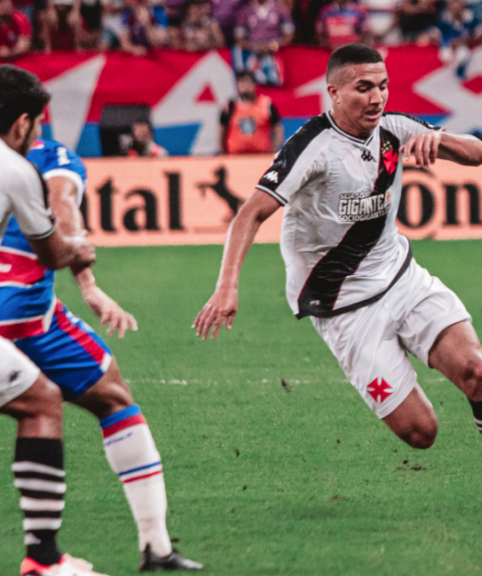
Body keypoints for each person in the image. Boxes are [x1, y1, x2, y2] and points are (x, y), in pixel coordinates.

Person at [194, 44, 482, 513]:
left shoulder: (394, 128)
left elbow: (480, 154)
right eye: (363, 88)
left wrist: (444, 143)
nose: (376, 97)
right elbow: (250, 213)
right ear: (333, 92)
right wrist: (227, 285)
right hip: (343, 310)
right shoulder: (312, 147)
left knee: (480, 375)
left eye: (383, 86)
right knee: (422, 433)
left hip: (401, 278)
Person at [3, 137, 205, 572]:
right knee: (106, 400)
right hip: (26, 314)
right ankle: (147, 546)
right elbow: (63, 205)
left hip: (27, 310)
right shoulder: (47, 157)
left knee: (47, 403)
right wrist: (89, 283)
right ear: (24, 120)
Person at [0, 64, 105, 576]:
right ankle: (43, 559)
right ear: (21, 124)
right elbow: (50, 252)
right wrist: (80, 251)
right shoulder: (16, 169)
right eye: (37, 125)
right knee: (42, 401)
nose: (38, 135)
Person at [219, 71, 283, 154]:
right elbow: (221, 132)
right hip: (235, 158)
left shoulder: (266, 104)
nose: (244, 85)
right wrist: (224, 155)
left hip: (261, 157)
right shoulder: (230, 106)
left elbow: (278, 129)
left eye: (247, 81)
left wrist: (273, 152)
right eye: (241, 82)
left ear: (254, 84)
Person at [232, 0, 294, 86]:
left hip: (274, 56)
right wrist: (254, 47)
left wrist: (272, 46)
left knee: (275, 84)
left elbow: (288, 37)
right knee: (250, 84)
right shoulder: (244, 11)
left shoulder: (281, 9)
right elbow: (238, 40)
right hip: (251, 56)